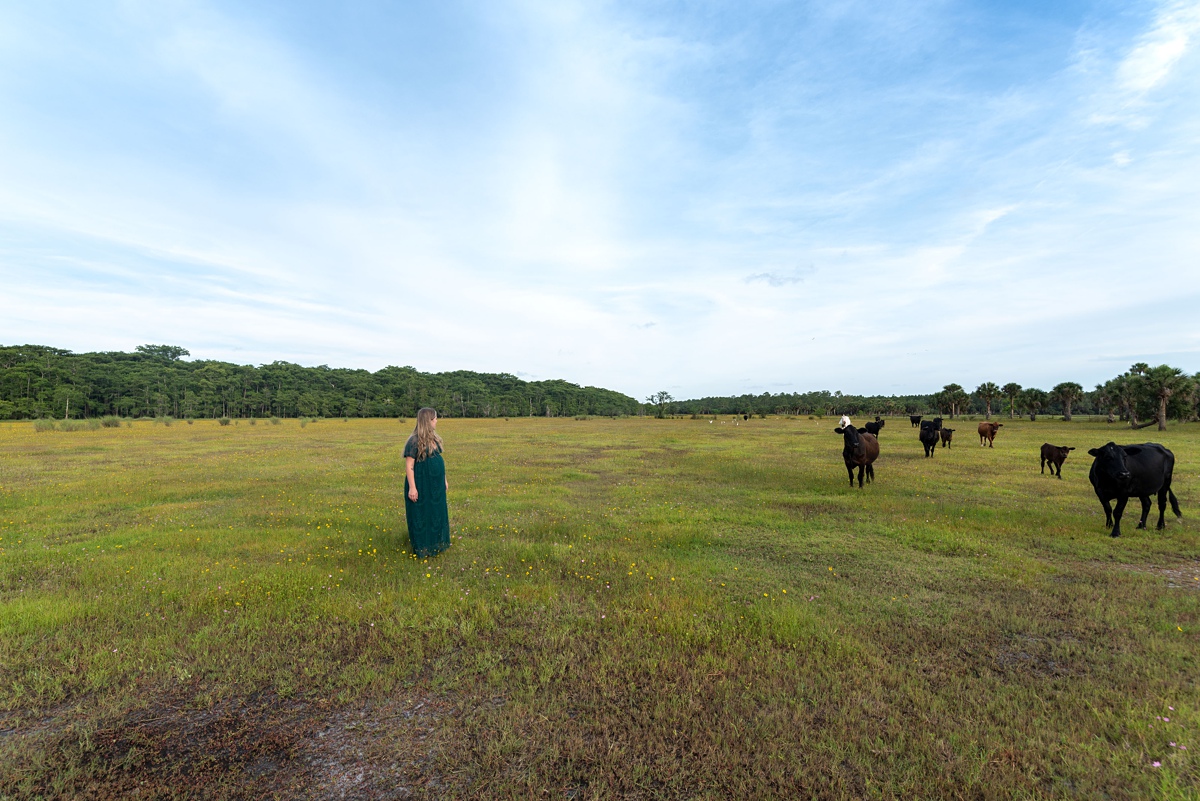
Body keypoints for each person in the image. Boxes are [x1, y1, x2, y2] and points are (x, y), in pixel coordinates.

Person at [403, 407, 450, 558]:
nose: (436, 421)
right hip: (421, 482)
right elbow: (410, 466)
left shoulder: (434, 438)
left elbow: (439, 460)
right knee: (421, 513)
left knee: (437, 511)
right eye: (435, 418)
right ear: (428, 421)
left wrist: (444, 480)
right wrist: (412, 488)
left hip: (435, 484)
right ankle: (423, 546)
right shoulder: (414, 441)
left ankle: (437, 543)